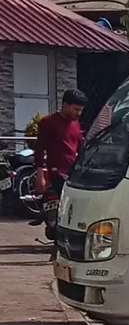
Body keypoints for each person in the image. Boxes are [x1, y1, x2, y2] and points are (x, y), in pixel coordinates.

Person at [33, 88, 87, 235]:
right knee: (56, 214)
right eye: (76, 109)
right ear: (65, 105)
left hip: (72, 173)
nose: (78, 113)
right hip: (55, 173)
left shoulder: (76, 124)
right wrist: (40, 175)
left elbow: (80, 146)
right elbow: (39, 150)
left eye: (81, 110)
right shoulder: (48, 122)